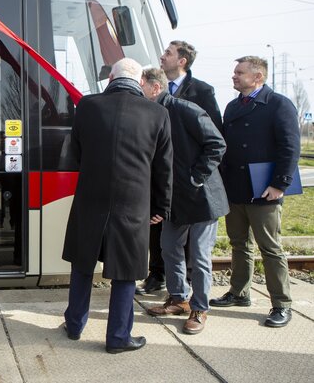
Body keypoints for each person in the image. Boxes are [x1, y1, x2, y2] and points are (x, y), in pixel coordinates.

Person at [61, 58, 172, 353]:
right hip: (134, 204)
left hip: (90, 198)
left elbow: (77, 153)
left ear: (111, 78)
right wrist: (161, 206)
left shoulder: (88, 106)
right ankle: (118, 337)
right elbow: (163, 167)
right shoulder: (158, 113)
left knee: (83, 264)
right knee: (126, 271)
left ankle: (74, 325)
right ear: (140, 82)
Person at [209, 56, 300, 328]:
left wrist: (280, 184)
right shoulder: (233, 105)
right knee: (239, 244)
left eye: (240, 72)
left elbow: (290, 147)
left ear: (257, 77)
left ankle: (281, 304)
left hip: (265, 190)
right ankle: (239, 292)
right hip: (236, 188)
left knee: (270, 248)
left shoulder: (279, 104)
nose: (234, 76)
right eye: (234, 71)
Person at [141, 68, 228, 335]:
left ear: (155, 88)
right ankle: (178, 298)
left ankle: (199, 308)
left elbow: (217, 144)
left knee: (199, 256)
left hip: (201, 198)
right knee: (169, 248)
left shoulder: (186, 109)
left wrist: (196, 177)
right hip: (174, 199)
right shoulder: (149, 113)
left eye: (141, 85)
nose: (138, 90)